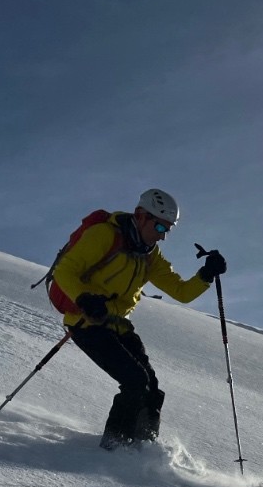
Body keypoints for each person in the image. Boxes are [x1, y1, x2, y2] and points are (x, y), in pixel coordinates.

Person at [51, 188, 226, 449]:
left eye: (167, 229)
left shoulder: (149, 255)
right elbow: (65, 271)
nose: (162, 235)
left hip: (119, 325)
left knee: (152, 391)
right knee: (135, 381)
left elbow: (181, 292)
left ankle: (143, 448)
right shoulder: (104, 235)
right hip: (86, 321)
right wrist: (84, 298)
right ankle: (113, 449)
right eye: (158, 225)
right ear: (140, 215)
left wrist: (206, 275)